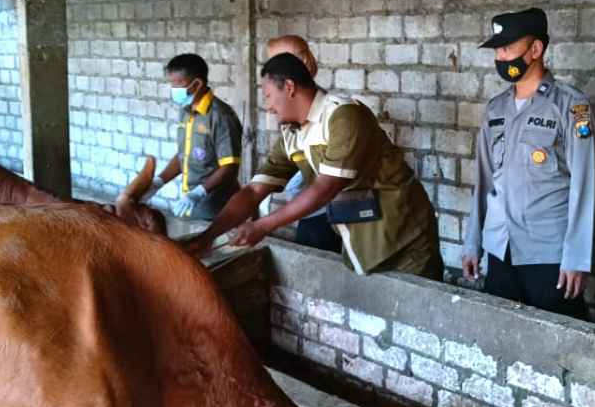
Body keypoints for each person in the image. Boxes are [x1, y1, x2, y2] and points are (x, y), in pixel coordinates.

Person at [185, 53, 442, 279]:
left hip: (405, 240)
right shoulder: (292, 133)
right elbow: (253, 192)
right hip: (366, 244)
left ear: (289, 87)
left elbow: (325, 188)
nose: (268, 106)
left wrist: (262, 226)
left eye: (268, 96)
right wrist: (210, 235)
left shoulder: (344, 116)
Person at [461, 7, 595, 319]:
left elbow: (584, 186)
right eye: (498, 49)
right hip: (499, 246)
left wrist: (577, 257)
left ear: (536, 49)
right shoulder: (495, 110)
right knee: (503, 336)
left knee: (557, 346)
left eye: (509, 47)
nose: (502, 56)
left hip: (548, 254)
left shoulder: (572, 106)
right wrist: (473, 243)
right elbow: (483, 182)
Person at [118, 54, 244, 220]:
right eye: (171, 85)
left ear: (197, 84)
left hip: (217, 207)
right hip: (192, 203)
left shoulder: (220, 116)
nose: (173, 91)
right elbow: (183, 155)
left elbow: (229, 167)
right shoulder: (186, 111)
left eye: (177, 85)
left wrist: (199, 192)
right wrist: (158, 182)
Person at [265, 35, 342, 254]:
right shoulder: (291, 120)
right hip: (313, 211)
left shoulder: (335, 114)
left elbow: (327, 182)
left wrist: (265, 224)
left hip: (332, 214)